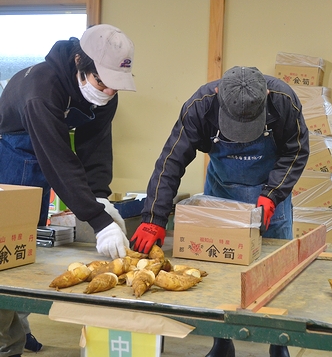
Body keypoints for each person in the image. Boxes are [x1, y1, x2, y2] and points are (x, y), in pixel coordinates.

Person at [130, 66, 309, 357]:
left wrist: (273, 194)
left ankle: (279, 343)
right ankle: (222, 342)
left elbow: (297, 150)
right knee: (216, 269)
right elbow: (171, 161)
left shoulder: (283, 100)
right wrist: (154, 218)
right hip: (221, 190)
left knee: (278, 271)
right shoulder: (199, 107)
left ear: (265, 97)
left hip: (269, 194)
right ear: (218, 97)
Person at [0, 24, 136, 357]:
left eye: (115, 87)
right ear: (79, 63)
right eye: (102, 83)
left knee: (31, 244)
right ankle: (8, 337)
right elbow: (59, 161)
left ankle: (20, 324)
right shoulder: (40, 90)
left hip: (49, 143)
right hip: (15, 145)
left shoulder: (105, 92)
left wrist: (100, 195)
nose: (108, 93)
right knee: (12, 242)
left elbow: (95, 147)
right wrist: (98, 220)